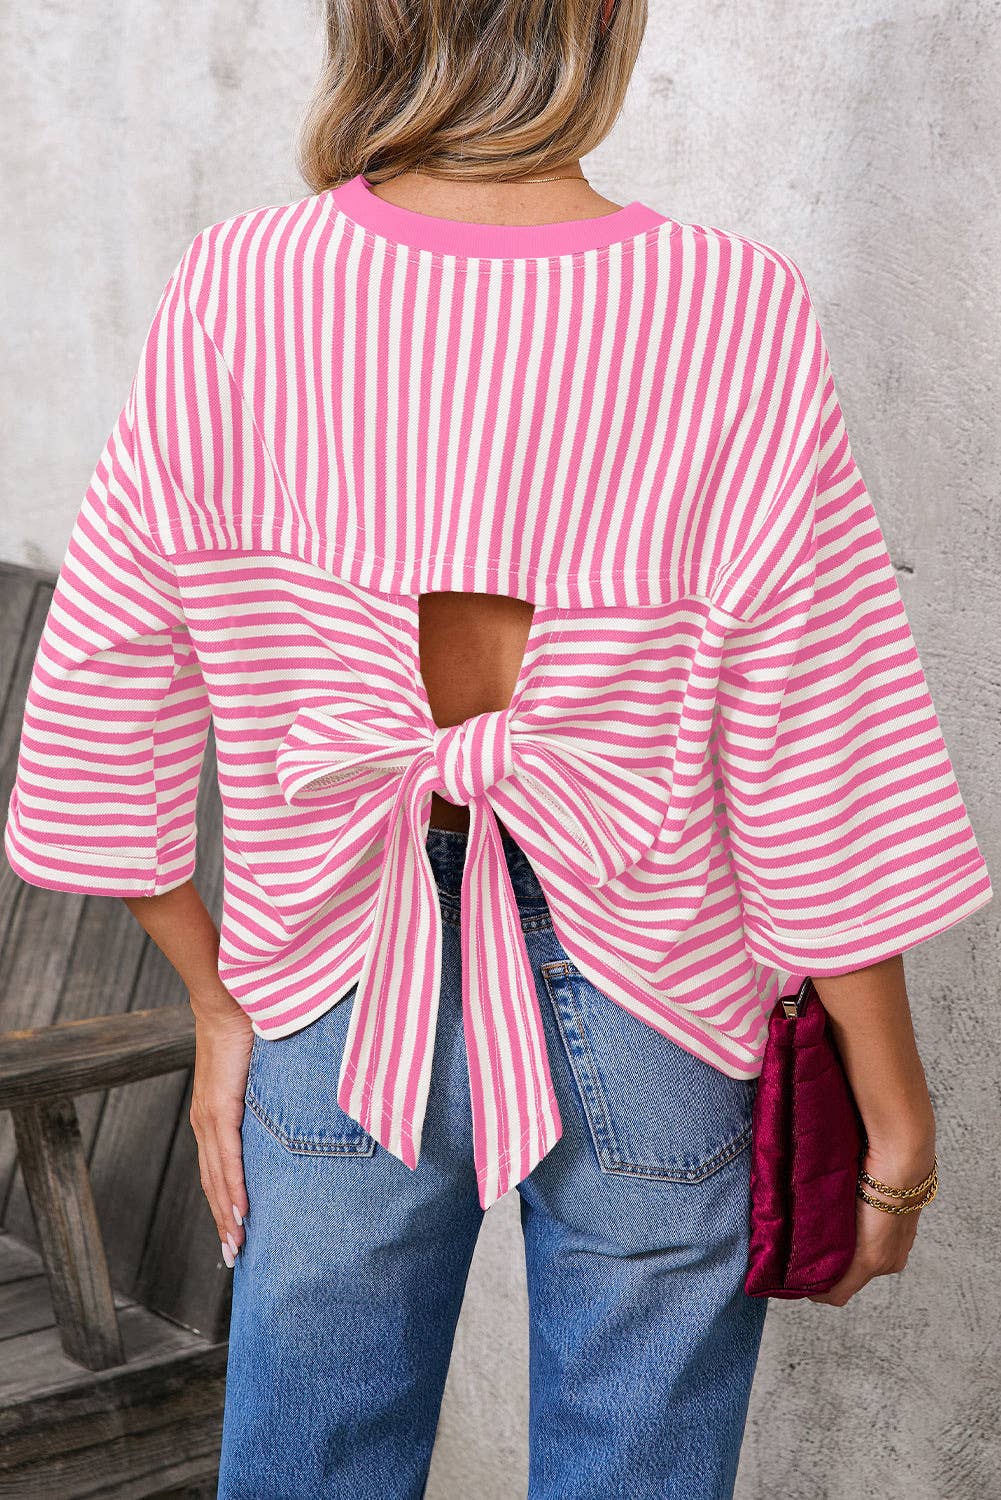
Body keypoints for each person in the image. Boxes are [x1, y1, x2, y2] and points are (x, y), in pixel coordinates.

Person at [3, 2, 992, 1496]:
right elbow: (816, 732)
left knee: (312, 1469)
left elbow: (104, 695)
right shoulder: (729, 303)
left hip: (328, 977)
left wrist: (215, 999)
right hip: (659, 982)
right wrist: (895, 1118)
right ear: (601, 22)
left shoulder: (238, 286)